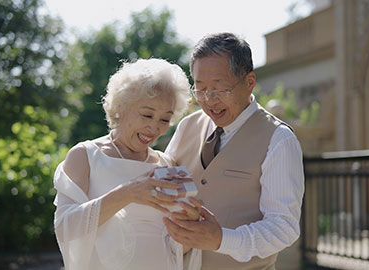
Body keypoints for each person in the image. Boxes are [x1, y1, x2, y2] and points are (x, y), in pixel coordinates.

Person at [163, 32, 305, 269]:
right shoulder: (187, 126)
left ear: (249, 81)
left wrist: (221, 240)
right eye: (200, 89)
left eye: (220, 89)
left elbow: (284, 228)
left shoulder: (279, 139)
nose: (209, 100)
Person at [53, 58, 202, 270]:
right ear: (121, 106)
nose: (154, 128)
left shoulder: (168, 164)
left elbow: (176, 248)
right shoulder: (85, 156)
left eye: (164, 119)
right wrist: (128, 193)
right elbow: (65, 228)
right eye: (147, 114)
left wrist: (191, 228)